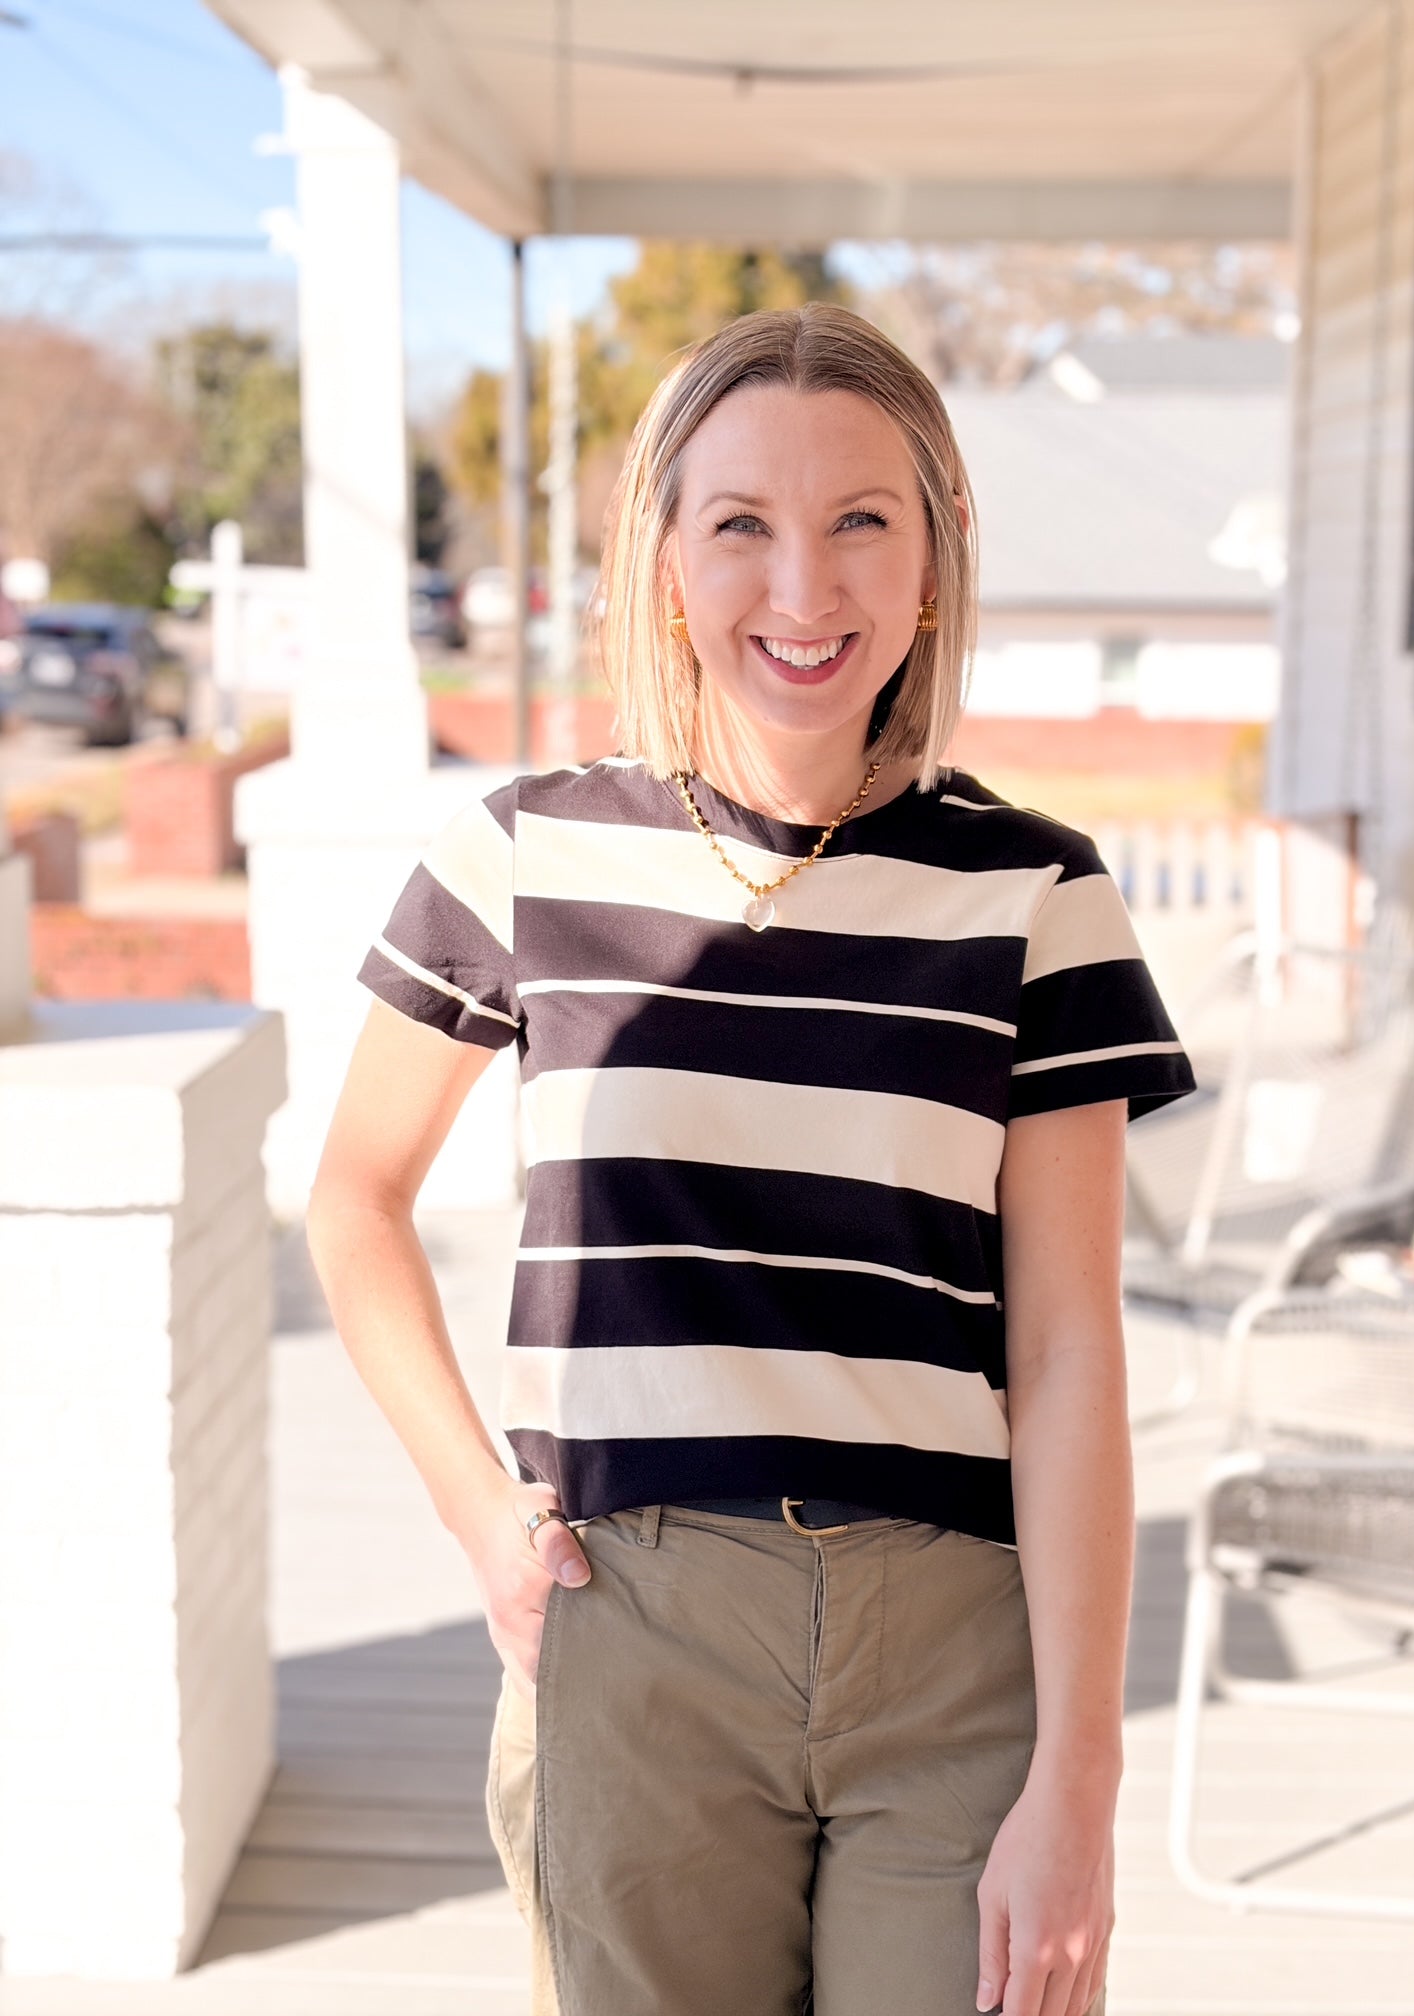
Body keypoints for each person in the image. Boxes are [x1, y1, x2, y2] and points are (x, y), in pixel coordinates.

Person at [307, 301, 1195, 2016]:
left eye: (862, 518)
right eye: (740, 525)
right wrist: (480, 1515)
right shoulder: (524, 855)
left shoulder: (1038, 894)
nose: (805, 587)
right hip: (631, 1626)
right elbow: (353, 1200)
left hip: (956, 1644)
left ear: (935, 557)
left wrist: (1081, 1781)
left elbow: (1070, 1351)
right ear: (664, 562)